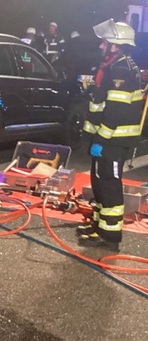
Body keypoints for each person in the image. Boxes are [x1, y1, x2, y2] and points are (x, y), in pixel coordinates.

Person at [77, 19, 143, 251]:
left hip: (113, 141)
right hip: (105, 140)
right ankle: (99, 226)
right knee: (99, 183)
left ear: (116, 45)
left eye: (105, 42)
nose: (101, 46)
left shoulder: (121, 70)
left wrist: (101, 140)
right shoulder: (113, 66)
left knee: (109, 185)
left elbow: (115, 111)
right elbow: (104, 102)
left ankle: (110, 237)